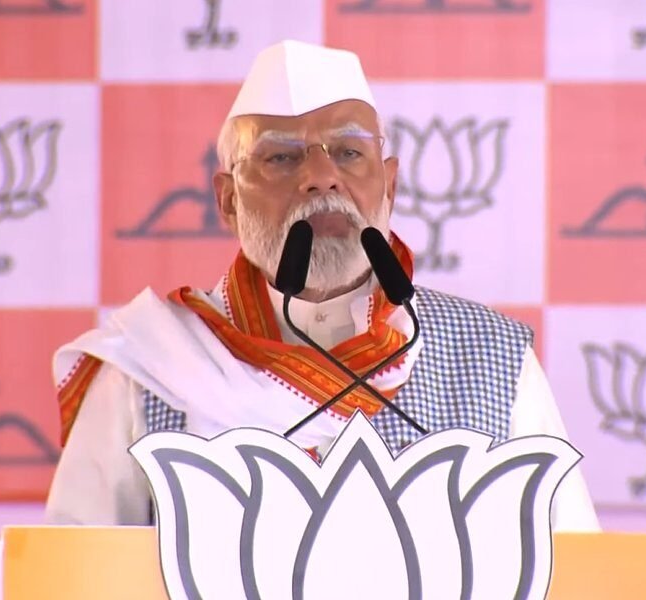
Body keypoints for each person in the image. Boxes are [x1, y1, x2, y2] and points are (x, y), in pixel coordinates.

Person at [45, 40, 601, 533]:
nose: (320, 175)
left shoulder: (491, 357)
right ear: (228, 200)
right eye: (282, 156)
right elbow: (74, 577)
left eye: (349, 152)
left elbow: (575, 567)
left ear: (391, 185)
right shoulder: (146, 368)